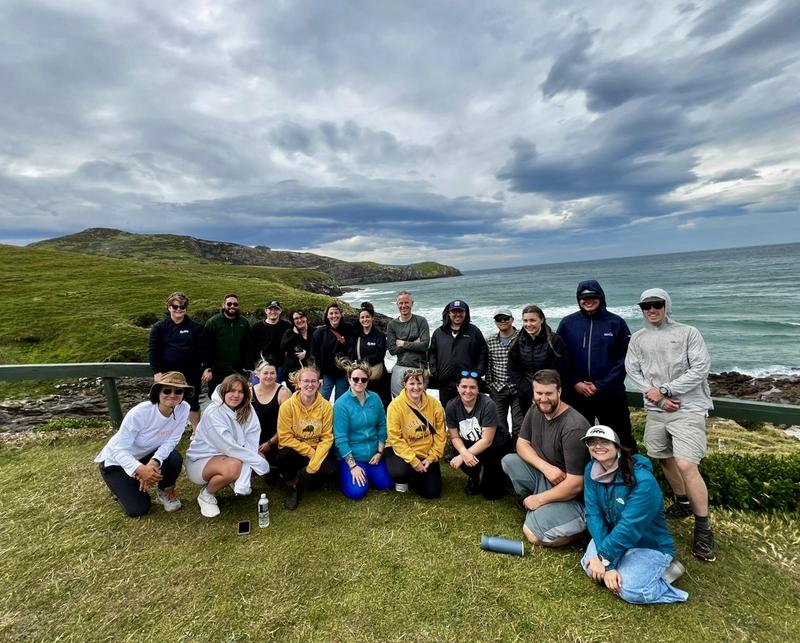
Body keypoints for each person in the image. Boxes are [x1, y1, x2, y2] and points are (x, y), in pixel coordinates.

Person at [625, 288, 716, 562]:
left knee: (687, 464)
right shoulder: (638, 338)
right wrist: (655, 395)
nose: (652, 310)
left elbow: (701, 368)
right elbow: (632, 369)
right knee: (662, 457)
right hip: (656, 409)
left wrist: (665, 389)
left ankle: (703, 528)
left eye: (657, 304)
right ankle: (682, 502)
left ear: (667, 305)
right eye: (646, 306)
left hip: (688, 408)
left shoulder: (688, 333)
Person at [580, 424, 688, 604]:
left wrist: (604, 560)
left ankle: (664, 578)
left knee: (629, 590)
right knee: (590, 566)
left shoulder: (643, 481)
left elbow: (630, 526)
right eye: (592, 442)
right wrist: (607, 563)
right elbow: (593, 514)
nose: (597, 446)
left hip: (648, 544)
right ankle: (625, 568)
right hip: (613, 536)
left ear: (617, 446)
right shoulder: (591, 469)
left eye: (604, 441)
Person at [501, 369, 590, 547]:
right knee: (509, 461)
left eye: (549, 393)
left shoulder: (574, 427)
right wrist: (545, 467)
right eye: (539, 393)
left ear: (559, 392)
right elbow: (522, 444)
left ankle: (581, 532)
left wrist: (539, 500)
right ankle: (544, 506)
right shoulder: (536, 409)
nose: (543, 398)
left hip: (573, 495)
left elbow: (576, 485)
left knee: (533, 534)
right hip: (548, 477)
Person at [94, 372, 192, 517]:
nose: (172, 394)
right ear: (158, 392)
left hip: (146, 455)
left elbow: (172, 440)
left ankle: (165, 491)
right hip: (115, 461)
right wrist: (139, 469)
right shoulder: (139, 413)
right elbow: (119, 449)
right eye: (167, 390)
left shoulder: (184, 408)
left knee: (174, 459)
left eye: (178, 391)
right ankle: (119, 488)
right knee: (138, 509)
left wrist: (154, 462)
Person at [556, 280, 636, 451]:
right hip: (576, 394)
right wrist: (575, 382)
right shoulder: (568, 323)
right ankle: (583, 475)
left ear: (601, 297)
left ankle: (629, 474)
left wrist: (601, 385)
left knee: (621, 437)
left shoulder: (616, 323)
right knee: (576, 438)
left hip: (610, 393)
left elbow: (625, 359)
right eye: (583, 298)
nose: (588, 300)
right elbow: (560, 357)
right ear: (578, 300)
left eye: (593, 296)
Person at [185, 373, 269, 518]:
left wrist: (254, 462)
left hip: (226, 455)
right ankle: (206, 495)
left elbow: (252, 438)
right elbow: (229, 447)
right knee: (236, 465)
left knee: (258, 456)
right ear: (224, 391)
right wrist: (256, 462)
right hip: (201, 461)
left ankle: (233, 479)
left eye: (240, 391)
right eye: (231, 391)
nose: (236, 395)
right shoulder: (213, 412)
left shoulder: (246, 409)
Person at [277, 365, 337, 510]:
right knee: (283, 458)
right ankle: (292, 486)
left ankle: (308, 476)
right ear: (298, 383)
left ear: (319, 384)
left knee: (332, 470)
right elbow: (284, 438)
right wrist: (310, 453)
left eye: (313, 381)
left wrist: (314, 462)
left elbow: (327, 437)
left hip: (318, 448)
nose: (310, 385)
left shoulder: (326, 407)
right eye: (306, 381)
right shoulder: (287, 407)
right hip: (296, 449)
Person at [332, 360, 392, 500]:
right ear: (348, 379)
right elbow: (340, 438)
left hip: (373, 455)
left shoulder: (375, 398)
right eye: (355, 379)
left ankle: (367, 472)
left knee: (386, 484)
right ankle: (347, 473)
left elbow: (382, 426)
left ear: (368, 380)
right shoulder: (341, 404)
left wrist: (379, 452)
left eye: (364, 379)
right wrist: (353, 466)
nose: (360, 382)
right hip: (352, 456)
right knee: (357, 493)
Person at [446, 372, 509, 500]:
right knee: (457, 452)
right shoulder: (451, 406)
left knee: (492, 494)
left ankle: (500, 475)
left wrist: (464, 455)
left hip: (494, 446)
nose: (468, 391)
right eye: (464, 386)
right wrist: (463, 454)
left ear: (478, 389)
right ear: (457, 387)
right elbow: (454, 437)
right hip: (470, 442)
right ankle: (474, 476)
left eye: (472, 387)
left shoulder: (488, 404)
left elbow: (487, 440)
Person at [385, 368, 447, 499]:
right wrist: (414, 461)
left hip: (426, 452)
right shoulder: (395, 406)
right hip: (402, 450)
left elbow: (440, 435)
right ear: (405, 384)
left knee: (432, 493)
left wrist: (431, 457)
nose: (416, 387)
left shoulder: (434, 404)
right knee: (400, 473)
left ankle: (419, 475)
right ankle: (404, 478)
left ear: (424, 384)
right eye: (411, 383)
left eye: (419, 383)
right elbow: (395, 438)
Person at [148, 291, 205, 429]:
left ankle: (196, 431)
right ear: (169, 307)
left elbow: (204, 350)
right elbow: (153, 350)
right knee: (166, 400)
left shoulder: (196, 327)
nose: (179, 309)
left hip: (191, 372)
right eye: (175, 306)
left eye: (182, 306)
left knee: (193, 402)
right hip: (167, 373)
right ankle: (165, 429)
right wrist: (157, 371)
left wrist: (206, 368)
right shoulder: (159, 327)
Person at [508, 305, 570, 417]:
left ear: (541, 320)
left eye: (532, 320)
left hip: (551, 395)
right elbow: (514, 371)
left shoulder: (555, 341)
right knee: (532, 429)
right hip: (527, 396)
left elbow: (561, 370)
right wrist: (531, 393)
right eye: (525, 321)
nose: (528, 324)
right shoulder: (517, 342)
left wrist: (543, 394)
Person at [428, 300, 488, 409]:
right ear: (449, 313)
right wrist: (435, 372)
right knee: (449, 416)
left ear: (466, 313)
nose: (458, 314)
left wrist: (478, 373)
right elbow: (432, 353)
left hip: (468, 384)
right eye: (454, 311)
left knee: (471, 416)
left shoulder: (474, 331)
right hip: (445, 384)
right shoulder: (439, 332)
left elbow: (483, 353)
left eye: (461, 311)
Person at [202, 294, 251, 399]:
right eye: (229, 304)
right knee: (217, 398)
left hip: (238, 369)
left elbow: (247, 346)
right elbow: (205, 347)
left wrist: (249, 368)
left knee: (237, 398)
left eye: (235, 304)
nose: (232, 306)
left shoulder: (244, 323)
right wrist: (207, 368)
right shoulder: (212, 322)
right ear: (223, 305)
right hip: (217, 370)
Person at [486, 307, 524, 439]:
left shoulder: (522, 337)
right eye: (498, 319)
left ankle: (518, 452)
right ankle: (503, 454)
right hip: (498, 388)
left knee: (519, 424)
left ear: (512, 320)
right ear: (495, 322)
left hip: (518, 388)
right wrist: (490, 385)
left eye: (505, 318)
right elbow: (488, 364)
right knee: (499, 424)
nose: (502, 321)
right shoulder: (490, 340)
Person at [386, 290, 430, 397]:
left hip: (418, 367)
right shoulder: (392, 325)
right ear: (397, 305)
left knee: (417, 401)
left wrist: (403, 343)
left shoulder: (421, 321)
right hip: (399, 366)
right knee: (399, 402)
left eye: (406, 302)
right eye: (401, 303)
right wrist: (414, 343)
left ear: (412, 304)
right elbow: (392, 350)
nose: (403, 305)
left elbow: (424, 345)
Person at [251, 358, 291, 469]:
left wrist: (270, 443)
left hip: (278, 438)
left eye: (272, 373)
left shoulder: (284, 393)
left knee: (279, 463)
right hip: (254, 439)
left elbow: (288, 424)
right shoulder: (249, 392)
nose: (269, 376)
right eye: (265, 373)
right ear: (257, 374)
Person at [311, 302, 353, 401]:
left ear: (341, 314)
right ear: (327, 316)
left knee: (340, 401)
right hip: (326, 374)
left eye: (336, 313)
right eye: (331, 313)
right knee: (322, 400)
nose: (334, 316)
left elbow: (353, 349)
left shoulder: (349, 329)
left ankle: (338, 417)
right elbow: (315, 354)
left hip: (343, 373)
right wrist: (319, 376)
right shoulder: (319, 332)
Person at [353, 302, 390, 408]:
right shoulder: (357, 336)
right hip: (362, 378)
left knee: (382, 406)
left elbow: (379, 355)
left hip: (378, 378)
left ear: (372, 318)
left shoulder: (380, 335)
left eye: (367, 317)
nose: (365, 319)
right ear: (359, 319)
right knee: (364, 406)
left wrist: (363, 361)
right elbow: (353, 354)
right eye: (362, 317)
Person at [249, 300, 292, 382]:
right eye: (270, 309)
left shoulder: (286, 326)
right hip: (261, 366)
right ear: (266, 311)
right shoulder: (257, 327)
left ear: (280, 311)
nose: (273, 312)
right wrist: (253, 366)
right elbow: (250, 348)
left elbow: (292, 343)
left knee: (276, 391)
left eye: (276, 309)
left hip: (280, 367)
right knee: (257, 391)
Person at [281, 309, 316, 387]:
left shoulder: (315, 331)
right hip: (293, 372)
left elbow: (320, 349)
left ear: (306, 318)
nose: (299, 320)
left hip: (310, 370)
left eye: (301, 317)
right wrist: (295, 335)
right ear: (293, 321)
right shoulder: (289, 332)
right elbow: (283, 347)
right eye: (296, 318)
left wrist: (307, 354)